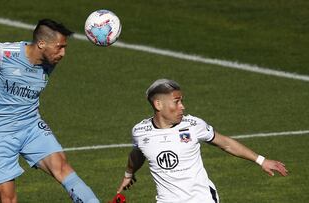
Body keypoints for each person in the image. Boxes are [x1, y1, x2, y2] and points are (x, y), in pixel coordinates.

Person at [0, 19, 99, 203]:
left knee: (62, 168)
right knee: (7, 197)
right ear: (41, 44)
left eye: (65, 47)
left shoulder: (50, 61)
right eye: (59, 47)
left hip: (31, 126)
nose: (63, 53)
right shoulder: (3, 53)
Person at [116, 79, 288, 203]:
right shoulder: (140, 131)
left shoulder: (193, 125)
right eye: (177, 102)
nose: (182, 106)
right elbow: (137, 154)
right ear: (158, 105)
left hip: (201, 199)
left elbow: (225, 143)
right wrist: (129, 174)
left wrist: (261, 160)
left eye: (182, 101)